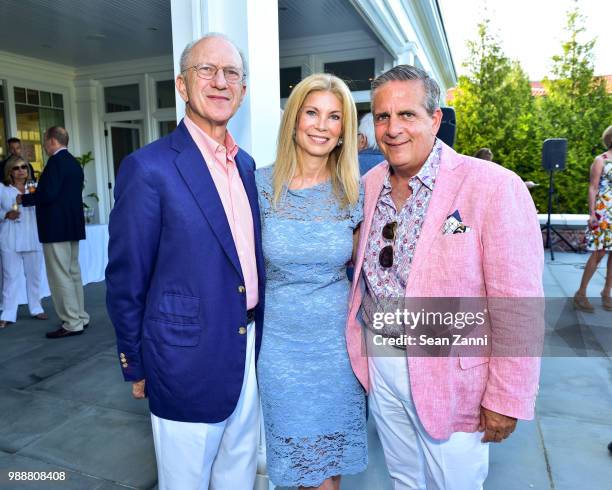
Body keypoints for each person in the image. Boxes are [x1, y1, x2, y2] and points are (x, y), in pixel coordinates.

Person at [345, 65, 544, 489]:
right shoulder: (368, 184)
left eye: (408, 115)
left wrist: (506, 396)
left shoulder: (492, 186)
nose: (393, 128)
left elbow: (518, 304)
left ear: (435, 119)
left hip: (453, 378)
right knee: (404, 479)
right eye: (383, 117)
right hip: (381, 363)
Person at [106, 34, 265, 490]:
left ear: (244, 89)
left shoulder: (249, 167)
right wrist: (134, 362)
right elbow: (125, 277)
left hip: (248, 354)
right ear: (181, 83)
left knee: (238, 479)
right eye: (206, 70)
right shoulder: (149, 168)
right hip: (182, 363)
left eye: (231, 72)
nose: (220, 81)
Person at [255, 73, 367, 489]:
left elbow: (366, 272)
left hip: (337, 351)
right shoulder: (259, 186)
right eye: (312, 113)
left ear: (344, 131)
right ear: (294, 120)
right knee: (294, 471)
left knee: (326, 477)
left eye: (334, 117)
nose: (322, 125)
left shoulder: (356, 191)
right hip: (280, 351)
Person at [18, 126, 89, 338]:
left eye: (45, 141)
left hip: (55, 227)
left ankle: (71, 322)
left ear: (51, 141)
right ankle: (80, 317)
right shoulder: (74, 163)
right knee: (73, 273)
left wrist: (25, 198)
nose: (44, 145)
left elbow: (47, 194)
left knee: (60, 276)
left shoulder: (55, 163)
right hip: (72, 225)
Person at [0, 156, 47, 328]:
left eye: (24, 167)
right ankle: (8, 312)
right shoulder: (2, 189)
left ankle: (36, 307)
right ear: (10, 172)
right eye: (16, 168)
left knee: (34, 275)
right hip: (10, 236)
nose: (21, 170)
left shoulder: (34, 188)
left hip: (32, 234)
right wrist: (6, 213)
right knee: (10, 277)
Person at [574, 125, 612, 312]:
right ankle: (581, 293)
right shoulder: (601, 160)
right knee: (599, 253)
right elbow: (593, 187)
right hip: (603, 212)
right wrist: (591, 213)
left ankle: (607, 293)